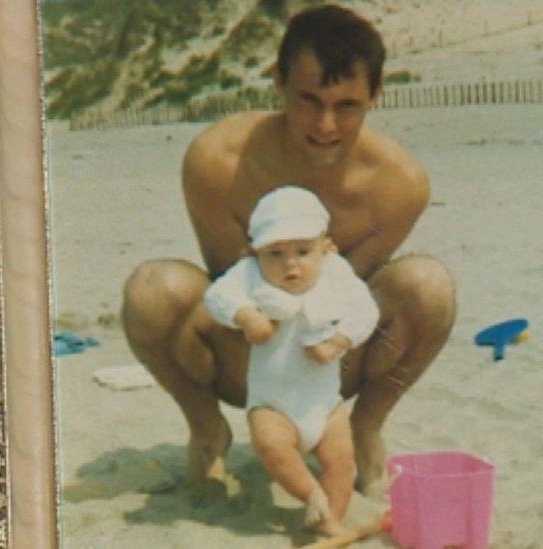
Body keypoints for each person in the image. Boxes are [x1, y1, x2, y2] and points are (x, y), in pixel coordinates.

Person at [122, 4, 456, 496]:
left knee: (430, 286)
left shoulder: (400, 185)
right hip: (249, 350)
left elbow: (351, 293)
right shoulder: (219, 160)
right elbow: (229, 281)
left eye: (347, 106)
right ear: (278, 81)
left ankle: (364, 429)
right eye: (309, 100)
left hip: (331, 359)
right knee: (151, 289)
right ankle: (207, 429)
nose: (325, 125)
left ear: (376, 96)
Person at [204, 185, 379, 535]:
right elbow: (217, 295)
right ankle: (310, 493)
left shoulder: (335, 273)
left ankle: (330, 523)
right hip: (273, 404)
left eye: (303, 251)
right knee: (271, 445)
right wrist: (245, 315)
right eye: (276, 254)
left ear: (326, 248)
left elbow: (366, 310)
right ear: (255, 252)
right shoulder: (249, 274)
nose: (291, 264)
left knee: (342, 463)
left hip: (324, 404)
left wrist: (340, 340)